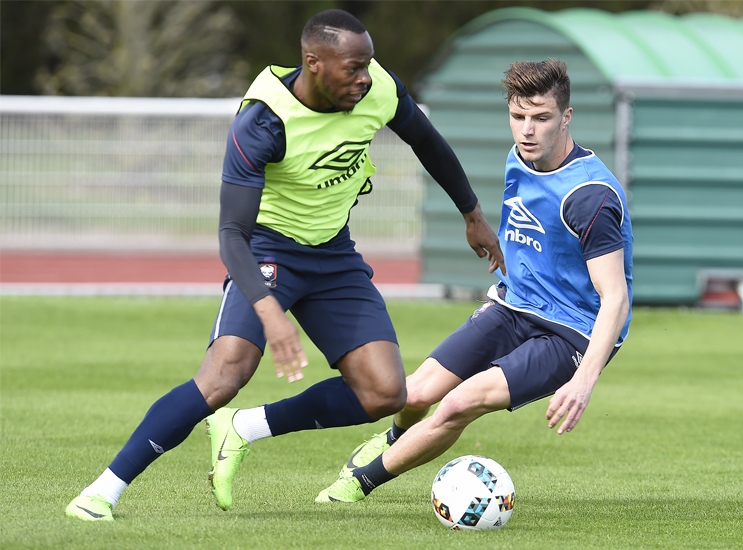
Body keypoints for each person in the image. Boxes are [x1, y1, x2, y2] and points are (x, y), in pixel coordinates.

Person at [65, 9, 503, 522]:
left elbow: (428, 142)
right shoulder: (263, 120)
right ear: (313, 63)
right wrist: (271, 311)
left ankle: (242, 428)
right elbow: (232, 235)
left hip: (334, 254)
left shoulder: (378, 88)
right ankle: (101, 491)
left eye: (368, 66)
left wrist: (472, 213)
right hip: (268, 250)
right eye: (352, 68)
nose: (364, 79)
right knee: (224, 375)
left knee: (386, 393)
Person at [314, 58, 633, 504]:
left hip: (572, 331)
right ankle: (393, 439)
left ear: (566, 117)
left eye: (541, 118)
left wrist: (584, 379)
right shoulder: (519, 157)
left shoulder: (589, 197)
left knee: (459, 404)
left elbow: (614, 297)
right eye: (518, 116)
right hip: (514, 305)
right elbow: (532, 227)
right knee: (415, 394)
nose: (527, 129)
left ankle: (355, 484)